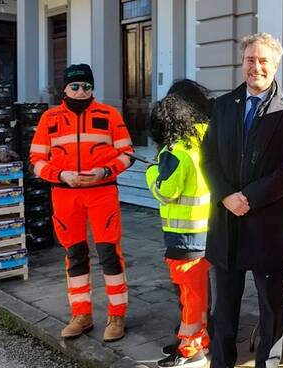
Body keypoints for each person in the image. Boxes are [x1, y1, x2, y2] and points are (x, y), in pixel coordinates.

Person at [200, 32, 283, 368]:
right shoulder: (222, 105)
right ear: (242, 62)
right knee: (223, 307)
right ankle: (221, 362)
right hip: (227, 221)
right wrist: (227, 195)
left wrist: (251, 197)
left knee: (270, 306)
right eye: (250, 59)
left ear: (275, 64)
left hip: (269, 223)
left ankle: (267, 363)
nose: (256, 67)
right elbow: (208, 157)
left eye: (263, 61)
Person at [30, 63, 134, 342]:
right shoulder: (49, 118)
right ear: (64, 88)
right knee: (75, 255)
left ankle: (117, 315)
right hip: (65, 196)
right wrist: (60, 175)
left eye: (86, 86)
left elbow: (127, 154)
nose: (80, 91)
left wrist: (105, 171)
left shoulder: (110, 115)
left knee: (109, 254)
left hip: (102, 194)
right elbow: (37, 161)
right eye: (74, 86)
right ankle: (81, 315)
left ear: (93, 88)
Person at [145, 79, 212, 368]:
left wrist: (151, 173)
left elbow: (166, 190)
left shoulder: (176, 150)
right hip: (205, 234)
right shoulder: (206, 139)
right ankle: (198, 340)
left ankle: (190, 350)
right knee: (198, 293)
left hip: (182, 238)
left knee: (189, 296)